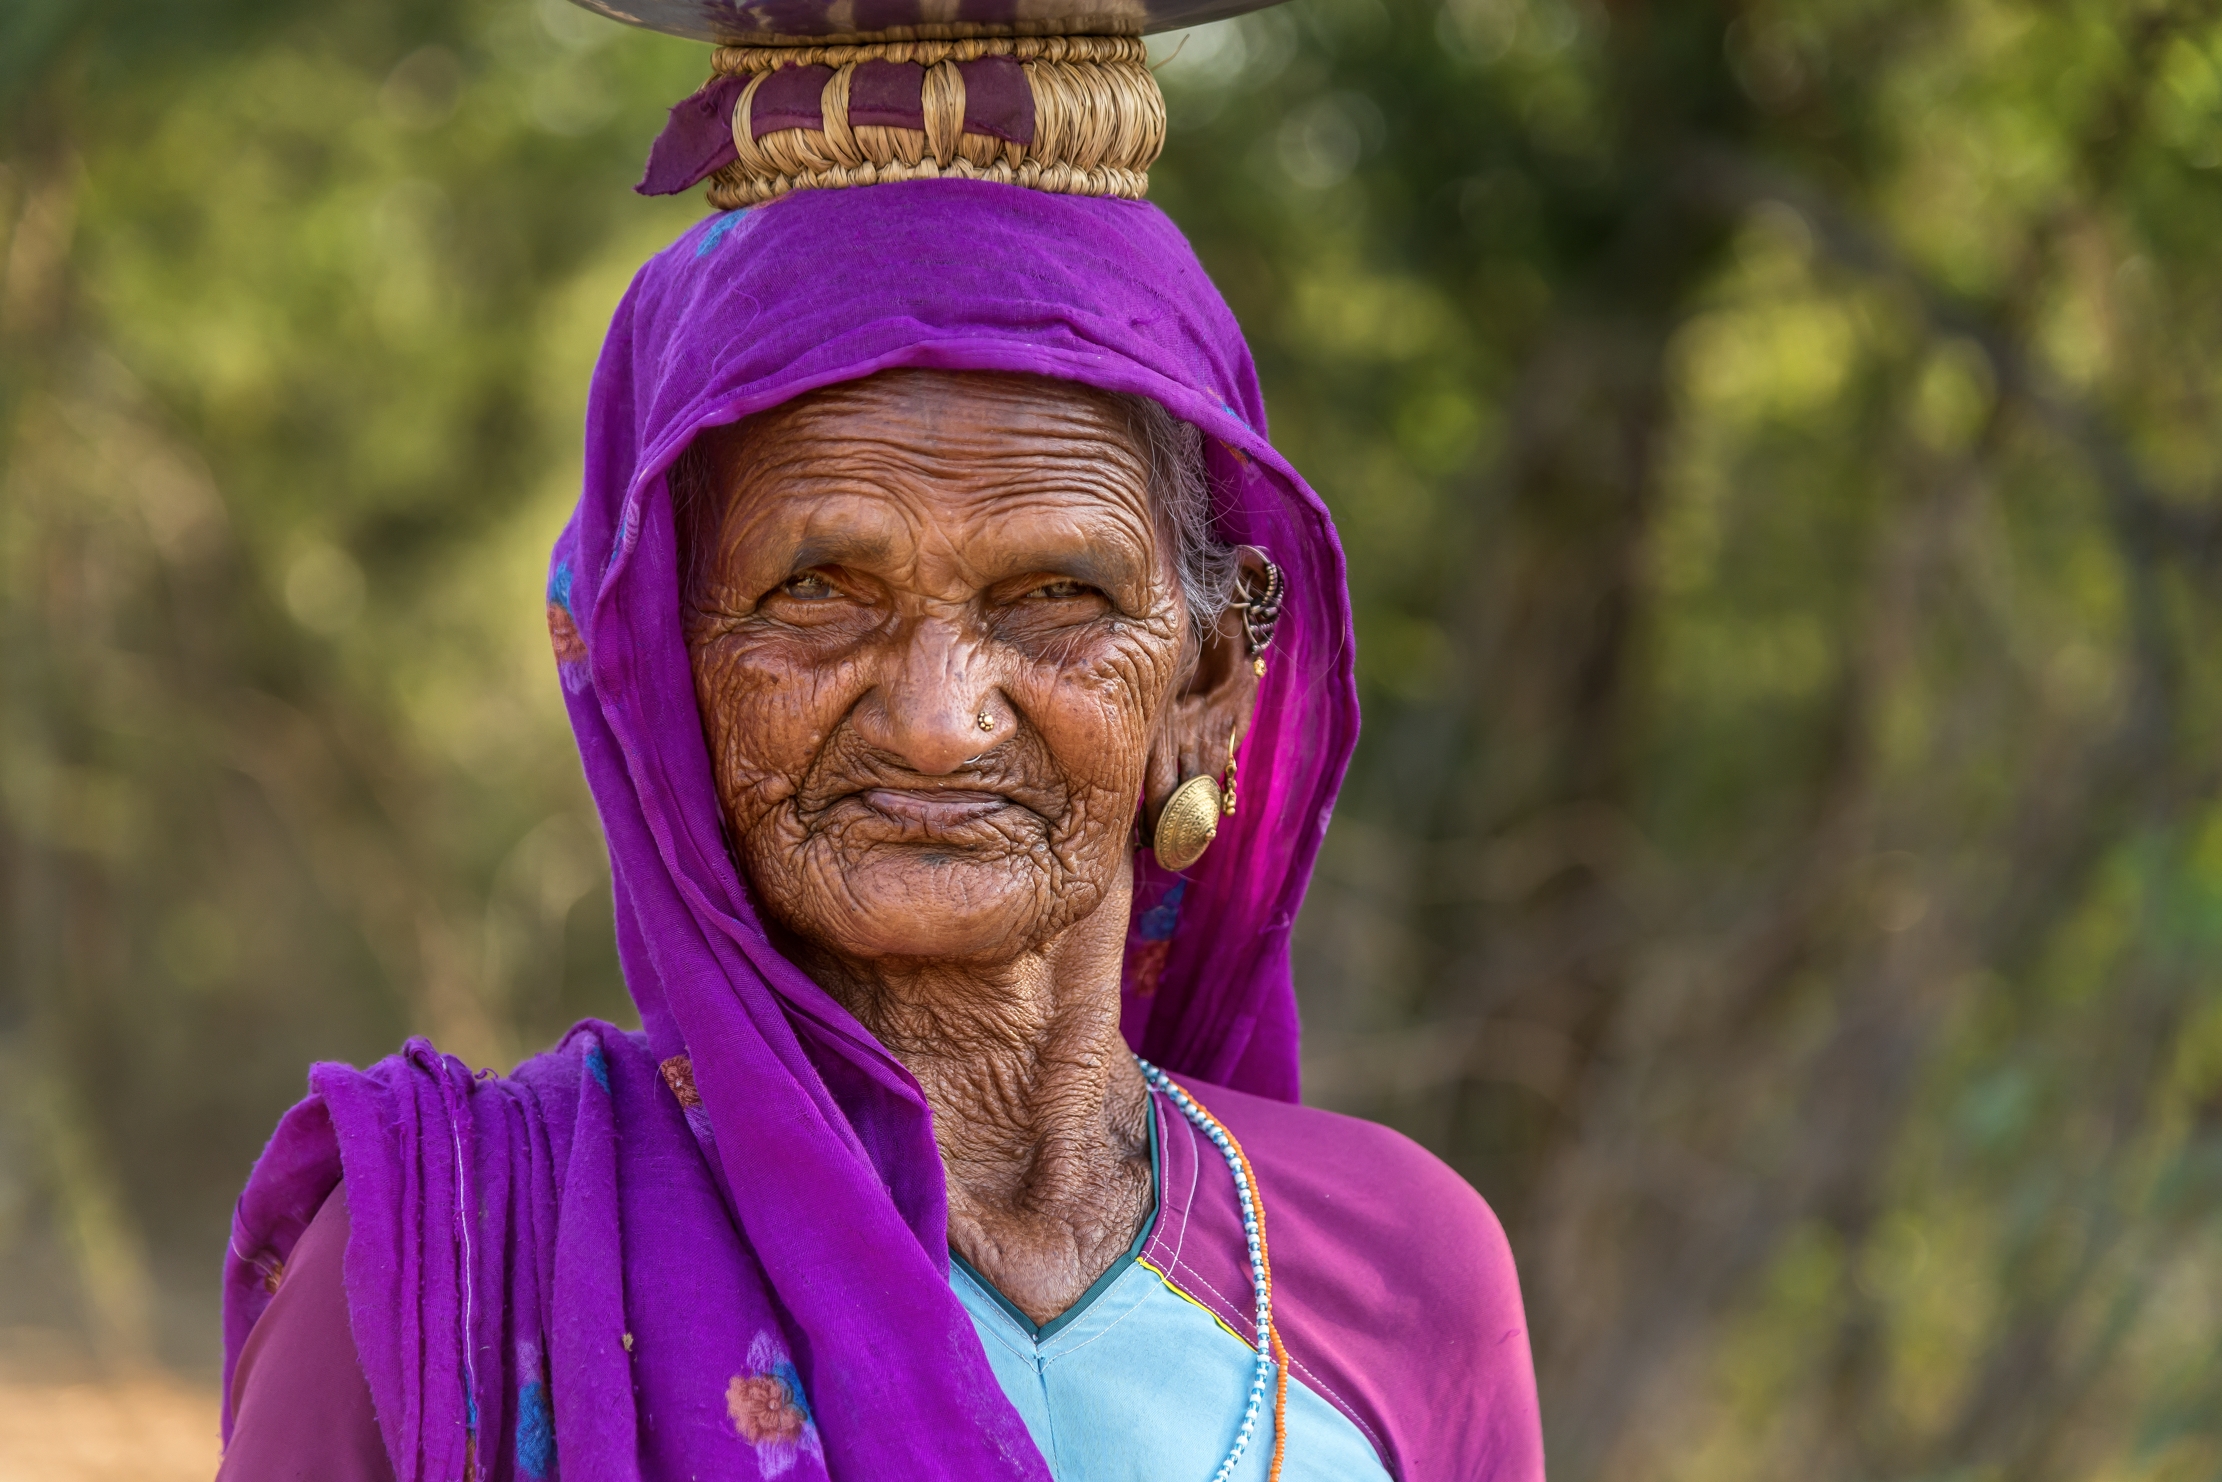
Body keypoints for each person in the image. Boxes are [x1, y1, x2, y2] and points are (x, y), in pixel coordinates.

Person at [216, 27, 1545, 1482]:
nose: (935, 712)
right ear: (664, 670)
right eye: (815, 592)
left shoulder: (1403, 1278)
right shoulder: (448, 1269)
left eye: (1056, 597)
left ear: (1210, 676)